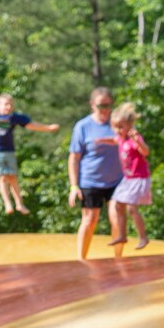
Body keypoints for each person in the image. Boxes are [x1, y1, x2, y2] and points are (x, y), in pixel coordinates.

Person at [67, 88, 123, 260]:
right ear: (92, 105)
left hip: (116, 181)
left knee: (117, 218)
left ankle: (119, 259)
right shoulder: (83, 127)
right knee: (90, 220)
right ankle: (81, 259)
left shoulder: (117, 124)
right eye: (101, 106)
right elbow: (74, 158)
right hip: (90, 181)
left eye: (108, 105)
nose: (105, 109)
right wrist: (74, 185)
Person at [107, 103, 152, 253]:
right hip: (128, 179)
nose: (118, 130)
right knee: (118, 205)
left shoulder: (134, 138)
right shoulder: (120, 139)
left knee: (132, 208)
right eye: (116, 127)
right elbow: (113, 140)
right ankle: (122, 235)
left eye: (121, 127)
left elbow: (145, 152)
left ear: (130, 125)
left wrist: (138, 141)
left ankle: (143, 237)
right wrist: (100, 141)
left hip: (139, 178)